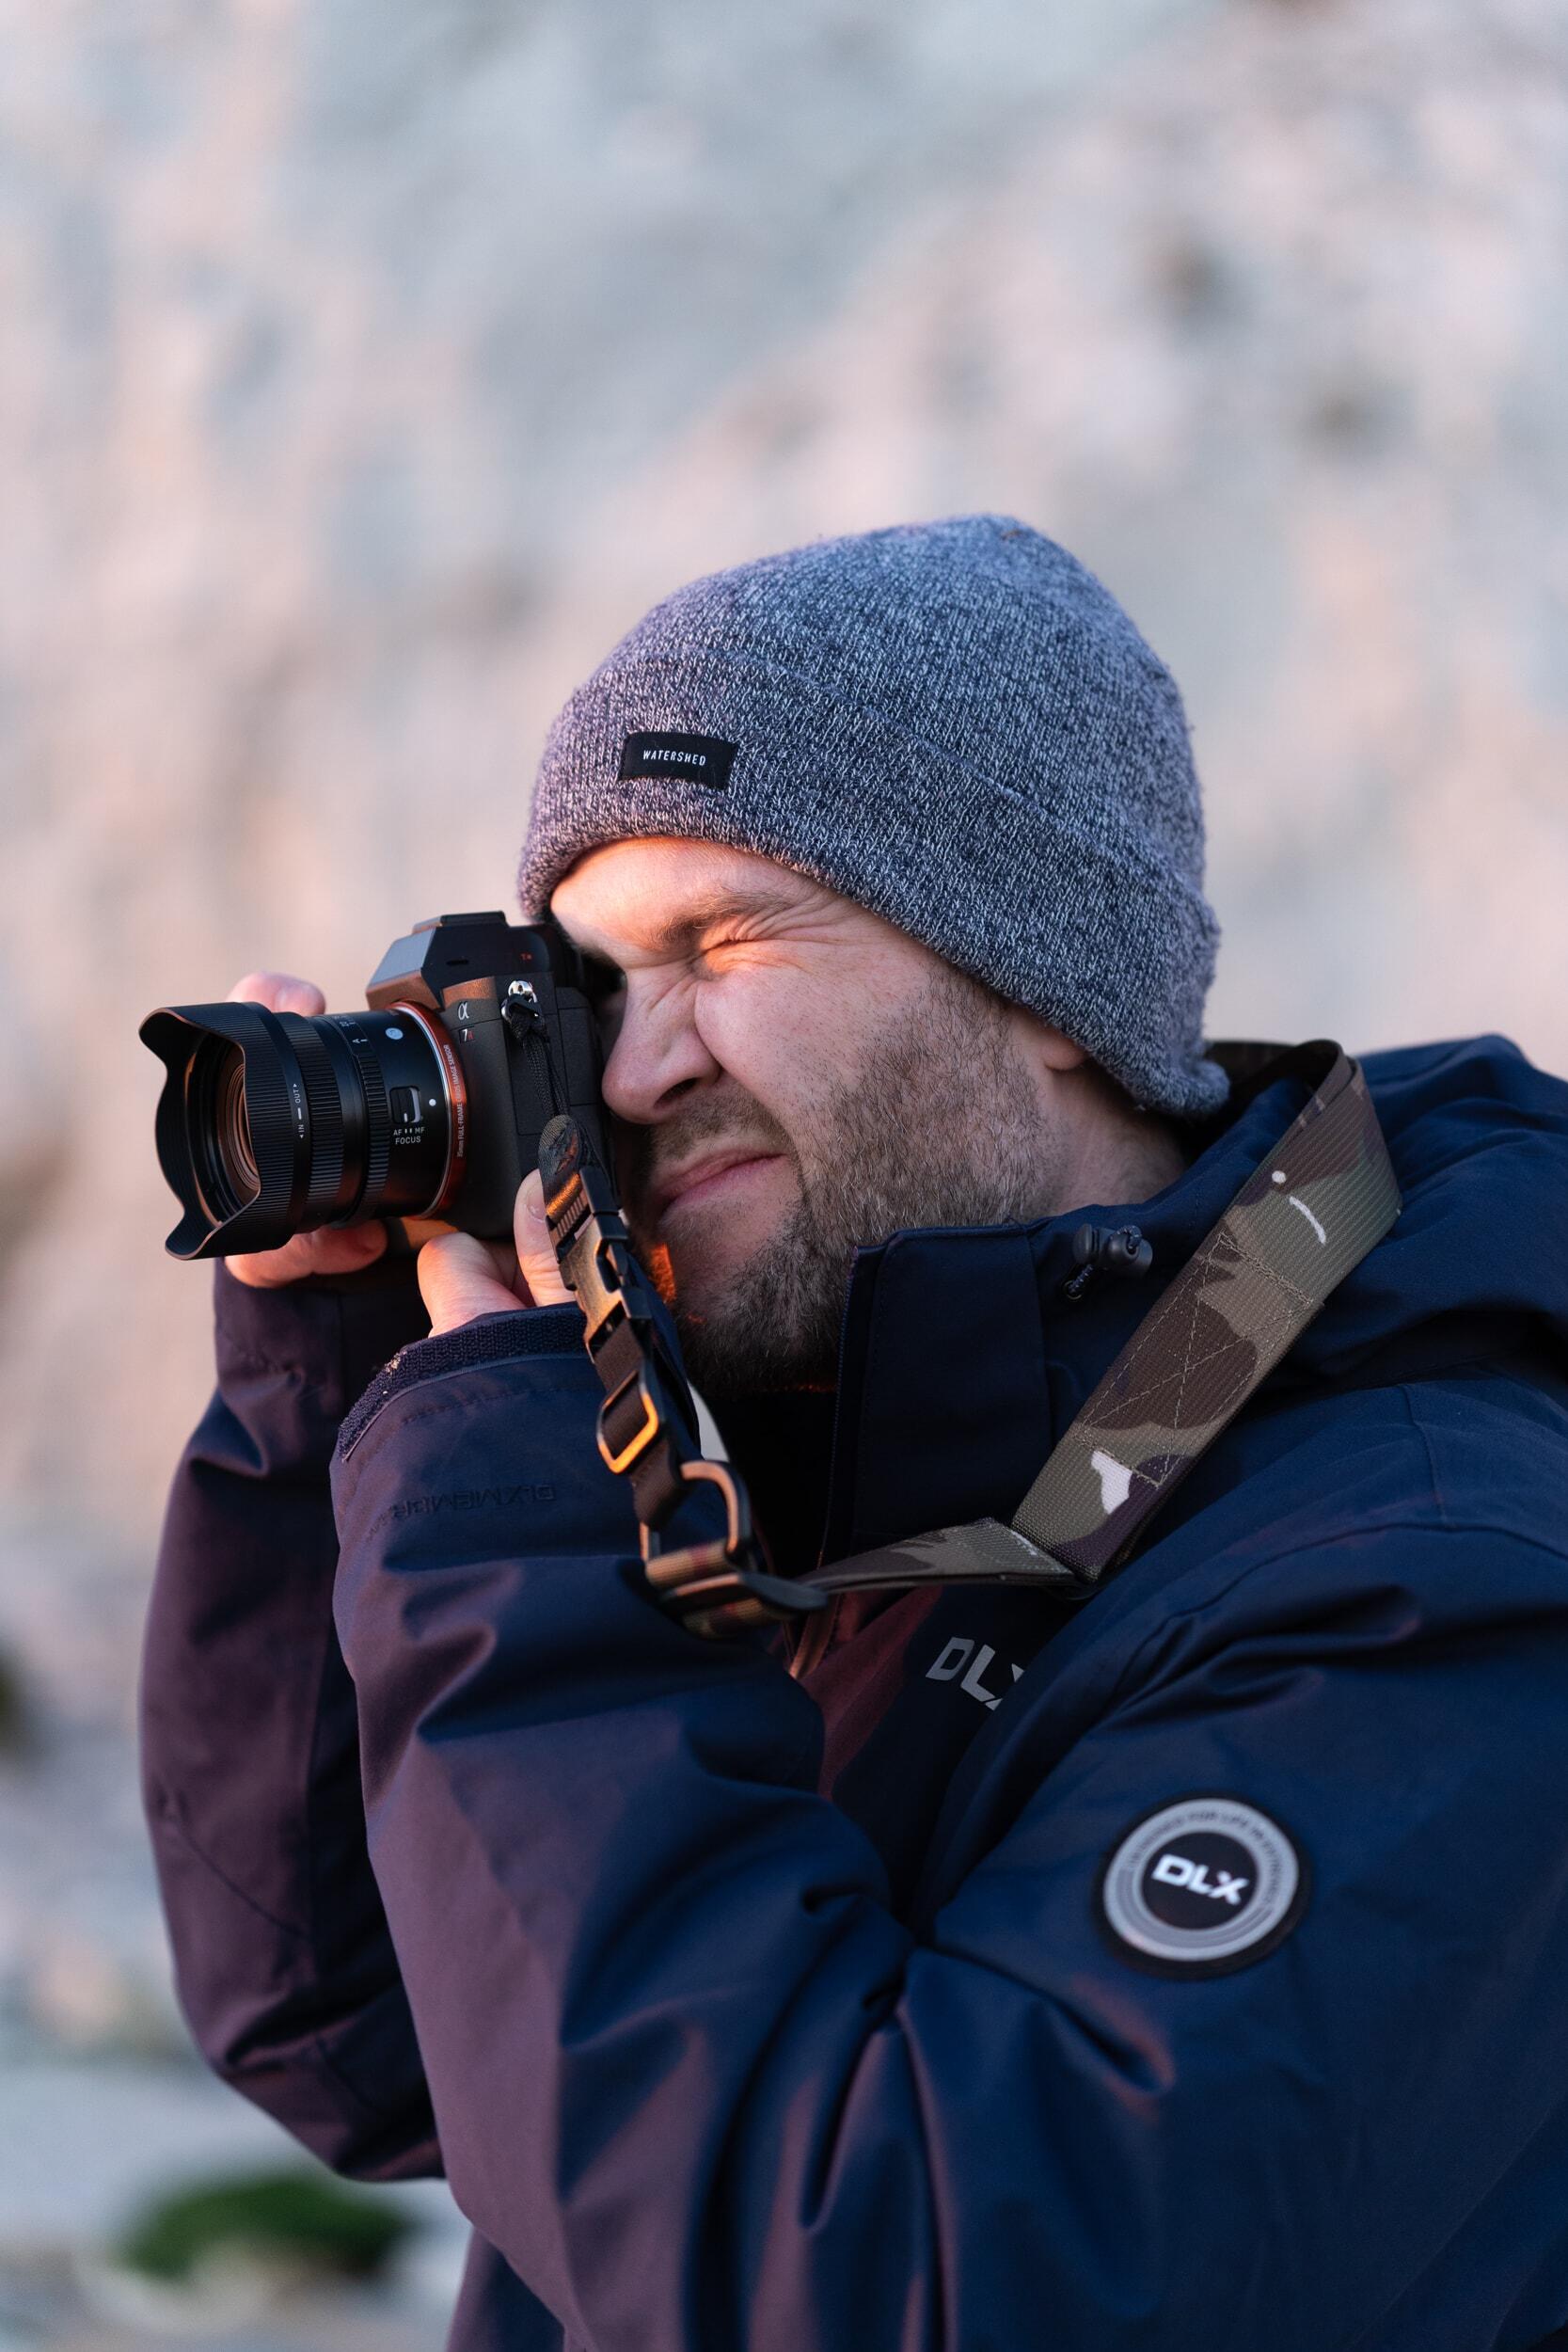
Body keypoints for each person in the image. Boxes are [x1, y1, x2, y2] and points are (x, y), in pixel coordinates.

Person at [141, 516, 1568, 2351]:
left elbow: (892, 2284)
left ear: (1047, 983)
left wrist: (508, 1520)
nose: (637, 1070)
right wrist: (341, 1368)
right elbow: (352, 2024)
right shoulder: (838, 1451)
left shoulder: (1433, 1584)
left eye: (724, 943)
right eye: (600, 988)